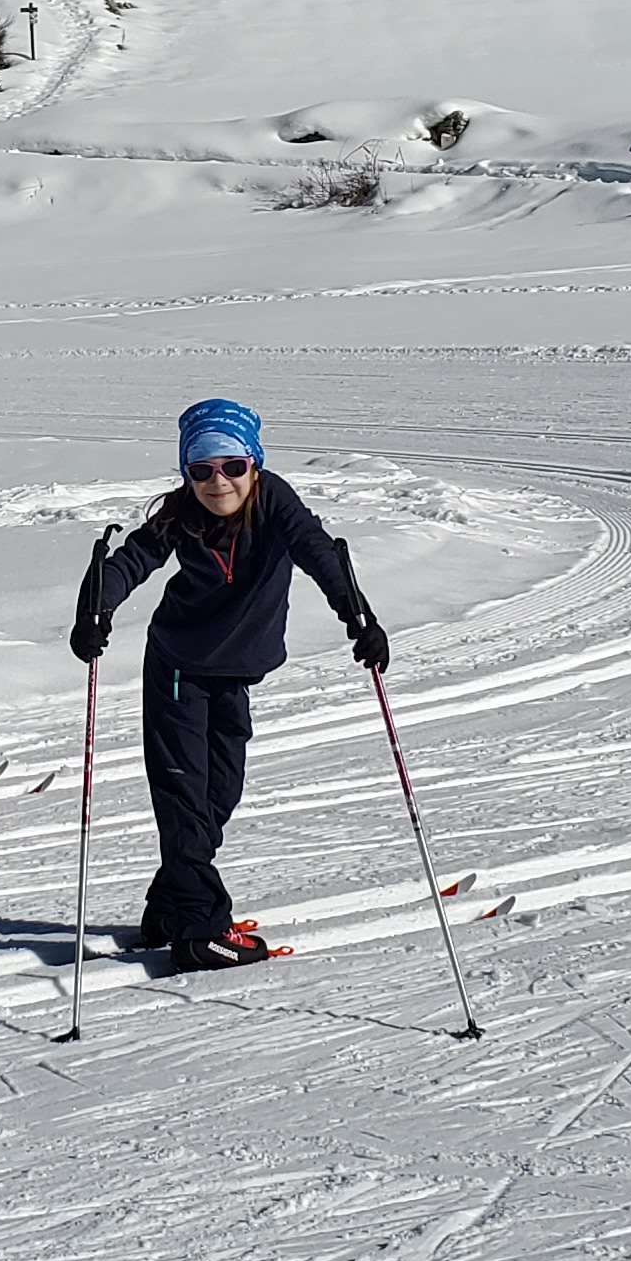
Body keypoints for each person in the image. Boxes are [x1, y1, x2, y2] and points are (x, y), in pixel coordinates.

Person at [70, 397, 389, 971]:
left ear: (254, 465)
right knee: (184, 797)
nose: (218, 482)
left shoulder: (276, 504)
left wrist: (357, 614)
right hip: (177, 669)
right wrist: (96, 605)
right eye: (201, 470)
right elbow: (132, 560)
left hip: (234, 671)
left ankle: (171, 907)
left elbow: (319, 553)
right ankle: (200, 929)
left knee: (219, 794)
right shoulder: (178, 513)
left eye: (232, 466)